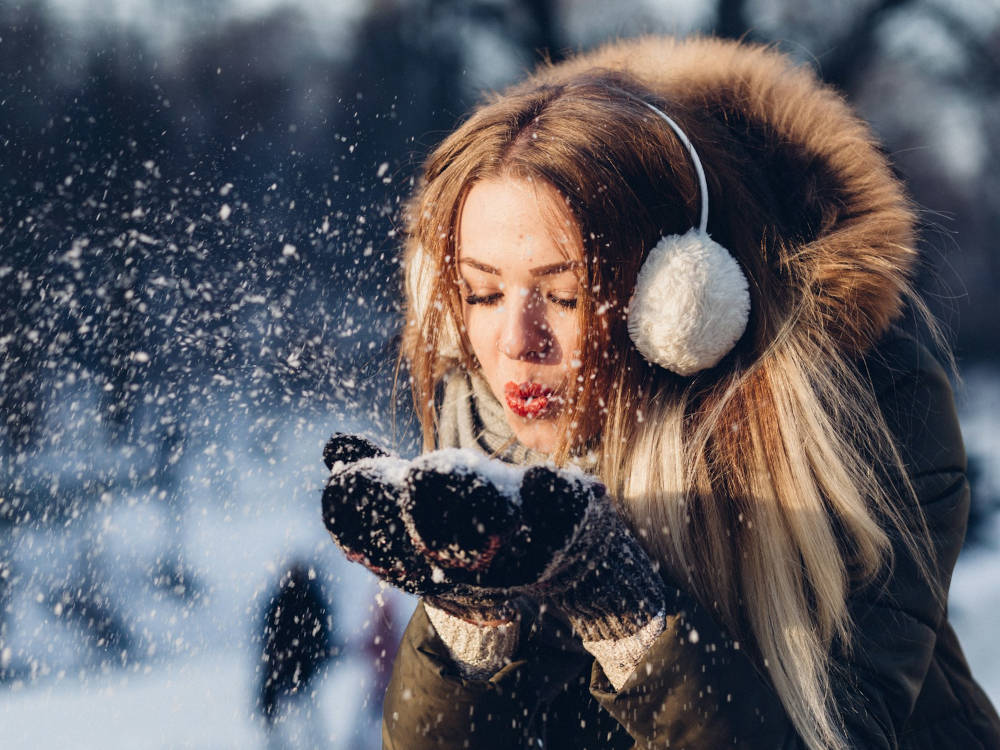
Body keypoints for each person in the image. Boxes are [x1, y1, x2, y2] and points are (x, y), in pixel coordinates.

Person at [321, 35, 1000, 749]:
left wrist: (624, 610)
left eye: (563, 293)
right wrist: (471, 621)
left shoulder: (862, 419)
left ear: (678, 301)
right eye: (482, 293)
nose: (517, 342)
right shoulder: (482, 426)